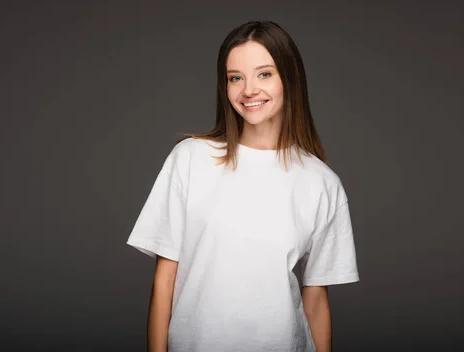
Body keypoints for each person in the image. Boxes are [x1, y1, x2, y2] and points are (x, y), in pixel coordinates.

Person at [127, 20, 359, 352]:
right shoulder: (191, 159)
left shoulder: (321, 182)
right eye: (236, 77)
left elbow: (317, 300)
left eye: (264, 74)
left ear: (290, 80)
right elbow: (164, 281)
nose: (249, 89)